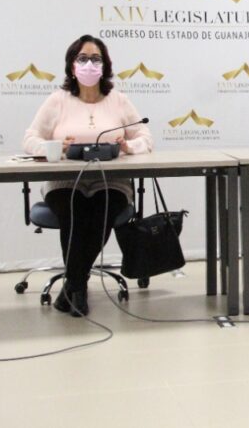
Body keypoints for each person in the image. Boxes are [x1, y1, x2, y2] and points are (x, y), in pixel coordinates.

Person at [24, 34, 153, 316]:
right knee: (75, 212)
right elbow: (30, 139)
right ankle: (78, 286)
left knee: (101, 212)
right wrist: (56, 147)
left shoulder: (118, 100)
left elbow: (145, 136)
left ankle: (74, 286)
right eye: (82, 58)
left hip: (112, 182)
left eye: (96, 59)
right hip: (66, 182)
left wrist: (128, 146)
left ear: (105, 66)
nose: (89, 64)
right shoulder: (58, 100)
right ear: (72, 66)